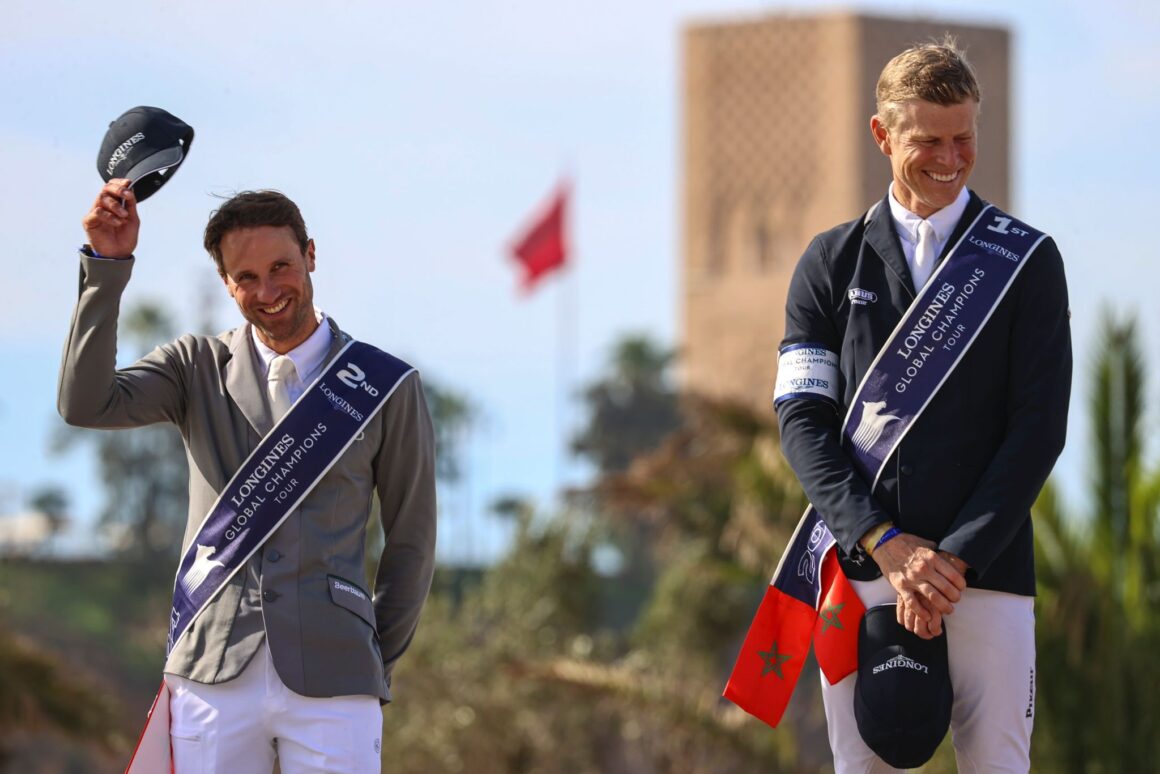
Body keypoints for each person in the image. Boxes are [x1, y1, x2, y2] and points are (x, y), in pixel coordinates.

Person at [60, 180, 437, 773]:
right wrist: (107, 265)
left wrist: (369, 660)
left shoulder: (386, 386)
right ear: (226, 283)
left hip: (336, 679)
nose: (268, 291)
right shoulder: (194, 367)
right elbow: (86, 404)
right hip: (211, 671)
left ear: (311, 256)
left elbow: (412, 543)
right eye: (247, 278)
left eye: (281, 267)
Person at [774, 39, 1071, 771]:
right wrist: (887, 544)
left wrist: (952, 563)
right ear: (882, 135)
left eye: (964, 137)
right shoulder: (828, 262)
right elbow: (801, 421)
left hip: (988, 577)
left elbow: (1038, 430)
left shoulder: (1026, 261)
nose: (950, 157)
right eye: (928, 140)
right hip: (863, 569)